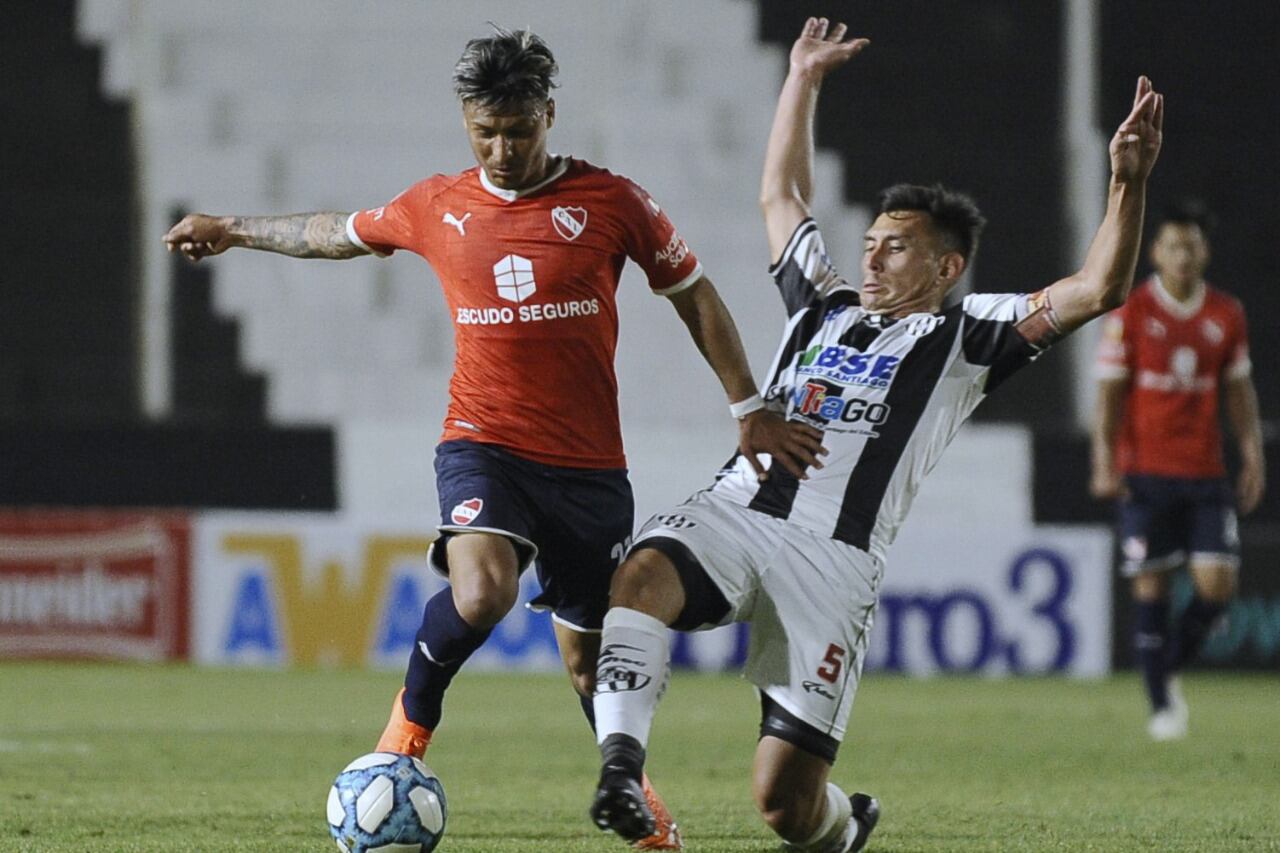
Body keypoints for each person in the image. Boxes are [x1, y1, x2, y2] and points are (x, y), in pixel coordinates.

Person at [165, 25, 806, 851]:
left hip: (590, 470)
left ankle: (637, 799)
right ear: (467, 123)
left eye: (519, 130)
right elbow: (333, 233)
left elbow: (696, 295)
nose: (503, 150)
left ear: (549, 115)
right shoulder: (438, 205)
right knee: (482, 591)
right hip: (483, 444)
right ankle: (403, 735)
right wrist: (233, 227)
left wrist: (748, 404)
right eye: (486, 132)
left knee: (589, 664)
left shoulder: (613, 202)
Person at [587, 17, 1163, 852]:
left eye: (895, 249)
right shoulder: (821, 304)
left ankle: (845, 825)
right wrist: (802, 79)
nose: (872, 259)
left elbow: (1098, 288)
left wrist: (1127, 183)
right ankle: (620, 769)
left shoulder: (967, 336)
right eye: (870, 244)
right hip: (738, 511)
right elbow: (781, 198)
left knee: (785, 808)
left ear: (947, 268)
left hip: (833, 559)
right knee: (641, 574)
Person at [1090, 199, 1266, 741]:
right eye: (1173, 246)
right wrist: (1104, 461)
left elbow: (1238, 391)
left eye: (1191, 246)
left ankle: (1164, 668)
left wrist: (1252, 453)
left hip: (1205, 473)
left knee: (1217, 590)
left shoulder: (1226, 314)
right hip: (1145, 473)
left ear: (1204, 252)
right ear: (1155, 252)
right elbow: (1109, 396)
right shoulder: (1132, 311)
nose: (1182, 256)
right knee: (1152, 589)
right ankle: (1161, 703)